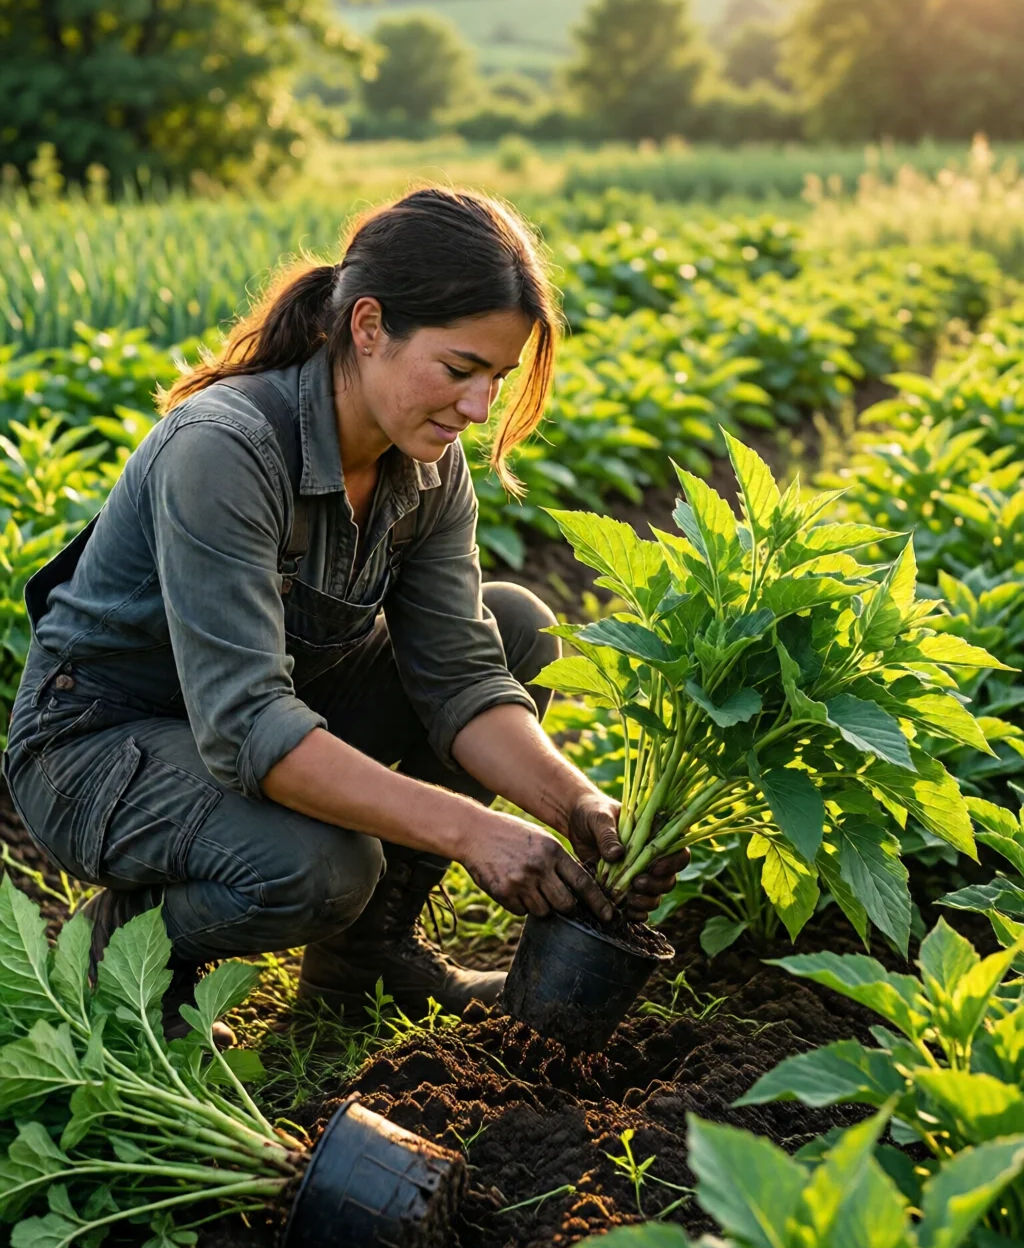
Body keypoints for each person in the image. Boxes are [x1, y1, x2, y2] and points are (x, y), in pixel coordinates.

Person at [3, 188, 680, 1036]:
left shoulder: (426, 465)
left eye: (497, 381)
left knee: (512, 627)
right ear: (368, 327)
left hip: (254, 724)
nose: (478, 409)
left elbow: (463, 677)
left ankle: (364, 965)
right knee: (323, 867)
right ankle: (123, 953)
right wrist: (474, 833)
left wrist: (575, 805)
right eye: (459, 369)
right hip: (96, 747)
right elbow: (248, 724)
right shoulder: (225, 448)